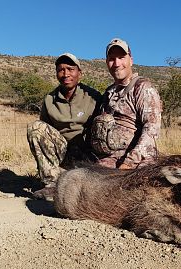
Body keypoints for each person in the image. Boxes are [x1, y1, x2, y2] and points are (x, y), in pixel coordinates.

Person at [27, 53, 102, 199]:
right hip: (62, 152)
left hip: (87, 152)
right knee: (35, 127)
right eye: (61, 70)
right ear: (56, 74)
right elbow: (44, 131)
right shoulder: (49, 99)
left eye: (70, 69)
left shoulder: (93, 96)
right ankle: (52, 184)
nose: (66, 74)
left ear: (79, 73)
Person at [90, 38, 162, 169]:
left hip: (137, 161)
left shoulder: (143, 88)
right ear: (107, 62)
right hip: (108, 159)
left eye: (121, 57)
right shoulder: (108, 92)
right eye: (112, 59)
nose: (117, 63)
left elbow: (152, 129)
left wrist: (129, 162)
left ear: (131, 60)